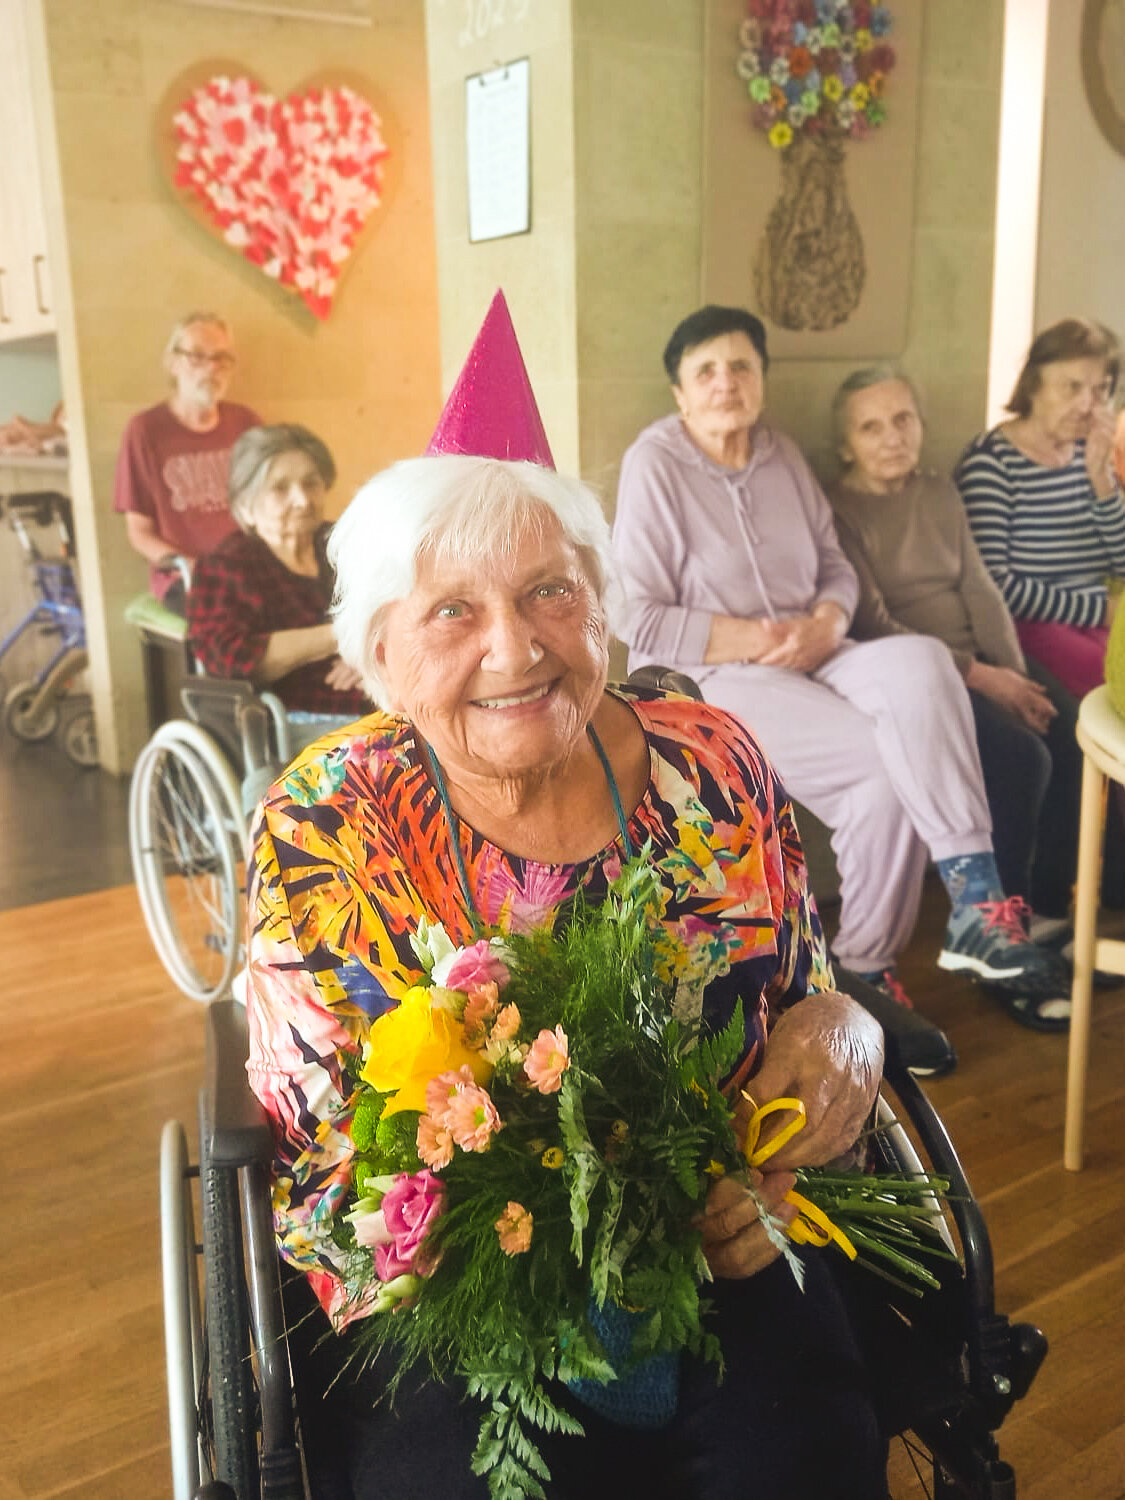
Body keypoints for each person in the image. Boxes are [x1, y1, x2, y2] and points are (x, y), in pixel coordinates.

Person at [244, 295, 889, 1498]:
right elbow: (335, 1148)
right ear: (378, 654)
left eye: (550, 591)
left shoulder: (712, 759)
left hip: (736, 1236)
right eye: (453, 609)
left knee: (813, 1459)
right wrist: (564, 1223)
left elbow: (809, 988)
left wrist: (845, 1032)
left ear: (602, 602)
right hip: (462, 1290)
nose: (515, 647)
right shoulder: (331, 819)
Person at [611, 304, 1067, 1011]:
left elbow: (834, 565)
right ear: (680, 392)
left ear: (762, 377)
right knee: (880, 769)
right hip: (720, 672)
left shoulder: (781, 454)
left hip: (819, 646)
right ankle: (864, 967)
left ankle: (975, 899)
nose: (726, 382)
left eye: (741, 366)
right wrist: (765, 637)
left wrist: (825, 619)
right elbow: (635, 614)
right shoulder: (655, 464)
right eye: (706, 371)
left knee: (922, 660)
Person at [826, 365, 1076, 1030]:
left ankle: (1044, 913)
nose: (891, 437)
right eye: (870, 427)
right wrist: (988, 681)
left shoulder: (938, 492)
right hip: (926, 678)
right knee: (1023, 760)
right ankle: (998, 941)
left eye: (902, 420)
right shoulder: (837, 512)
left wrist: (1015, 675)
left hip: (985, 663)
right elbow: (872, 623)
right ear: (846, 444)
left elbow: (979, 588)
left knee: (1068, 730)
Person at [955, 317, 1125, 701]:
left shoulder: (1090, 451)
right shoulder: (991, 462)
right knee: (1109, 679)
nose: (1087, 406)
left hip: (1096, 616)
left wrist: (1102, 481)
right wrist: (1101, 611)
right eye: (1072, 387)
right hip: (1031, 623)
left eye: (1100, 390)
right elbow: (996, 586)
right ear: (1034, 386)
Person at [185, 423, 366, 720]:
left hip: (374, 692)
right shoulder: (227, 566)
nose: (302, 500)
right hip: (297, 715)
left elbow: (397, 608)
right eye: (280, 488)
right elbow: (230, 657)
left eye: (311, 483)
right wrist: (346, 635)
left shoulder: (343, 542)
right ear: (246, 506)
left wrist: (367, 659)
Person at [113, 312, 260, 610]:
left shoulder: (246, 424)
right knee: (233, 614)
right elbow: (139, 532)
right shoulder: (145, 430)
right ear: (173, 363)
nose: (212, 368)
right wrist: (190, 566)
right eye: (197, 356)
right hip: (185, 577)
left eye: (221, 358)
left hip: (247, 569)